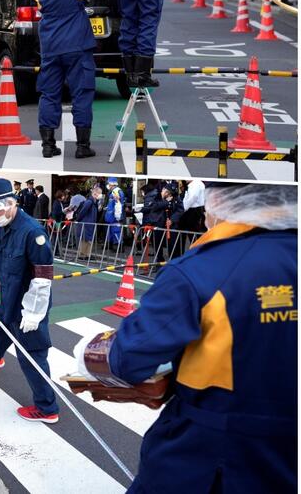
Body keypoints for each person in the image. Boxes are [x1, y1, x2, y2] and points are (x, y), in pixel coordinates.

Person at [71, 183, 297, 492]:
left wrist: (88, 352)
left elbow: (129, 357)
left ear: (220, 203)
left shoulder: (203, 269)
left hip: (208, 453)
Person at [0, 179, 59, 424]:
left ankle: (47, 408)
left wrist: (33, 314)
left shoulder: (33, 233)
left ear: (11, 204)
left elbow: (42, 280)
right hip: (8, 295)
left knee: (31, 353)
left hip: (31, 302)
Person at [28, 0, 111, 158]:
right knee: (82, 92)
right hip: (77, 42)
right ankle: (82, 147)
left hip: (50, 43)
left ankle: (48, 145)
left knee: (49, 93)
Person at [74, 185, 101, 257]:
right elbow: (82, 212)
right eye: (99, 193)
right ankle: (83, 255)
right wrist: (78, 220)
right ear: (95, 194)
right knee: (85, 239)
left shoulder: (94, 202)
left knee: (88, 240)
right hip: (86, 223)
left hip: (89, 223)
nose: (100, 195)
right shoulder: (89, 202)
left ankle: (87, 254)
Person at [104, 178, 125, 246]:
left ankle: (118, 246)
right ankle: (111, 244)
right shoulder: (113, 192)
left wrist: (118, 216)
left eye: (108, 184)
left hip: (114, 217)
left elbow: (118, 205)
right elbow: (113, 204)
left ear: (111, 184)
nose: (107, 185)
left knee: (116, 231)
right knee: (110, 231)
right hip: (111, 216)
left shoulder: (116, 192)